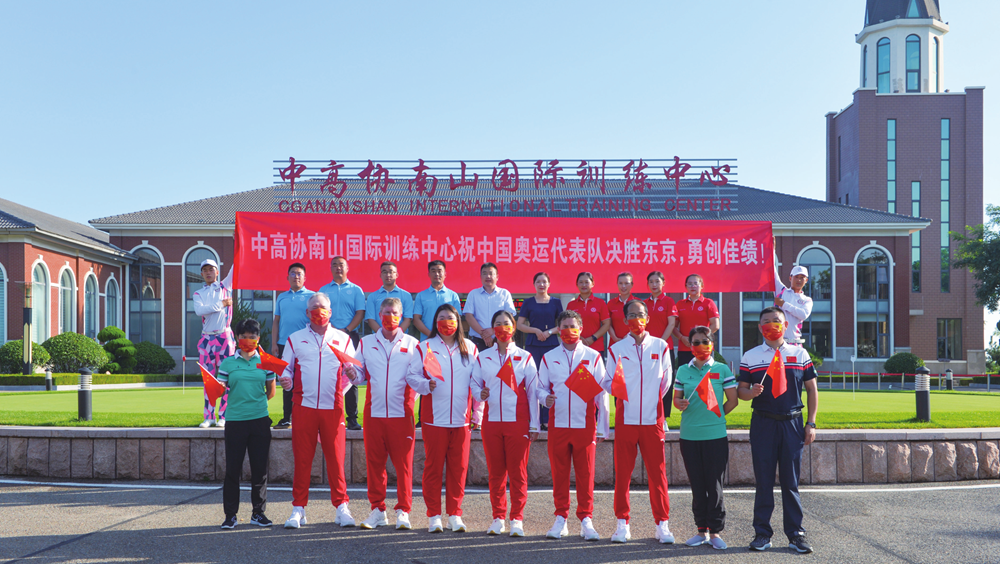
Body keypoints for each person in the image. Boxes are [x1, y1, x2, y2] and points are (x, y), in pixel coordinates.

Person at [737, 306, 818, 554]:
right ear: (759, 327)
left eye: (776, 321)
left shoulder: (799, 353)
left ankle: (796, 534)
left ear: (785, 325)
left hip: (792, 423)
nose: (772, 325)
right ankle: (762, 533)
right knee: (763, 481)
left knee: (790, 482)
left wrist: (811, 423)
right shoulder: (750, 356)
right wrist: (750, 393)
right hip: (763, 424)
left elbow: (812, 390)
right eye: (766, 321)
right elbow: (741, 391)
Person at [278, 293, 357, 530]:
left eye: (323, 307)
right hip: (304, 407)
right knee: (303, 459)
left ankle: (341, 507)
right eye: (314, 308)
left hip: (333, 408)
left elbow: (354, 373)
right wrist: (286, 381)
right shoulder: (295, 339)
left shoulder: (343, 339)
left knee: (336, 459)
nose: (318, 311)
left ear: (330, 312)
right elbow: (286, 370)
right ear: (307, 313)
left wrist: (348, 381)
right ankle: (298, 508)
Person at [347, 297, 420, 531]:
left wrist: (413, 399)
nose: (390, 317)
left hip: (402, 414)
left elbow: (419, 378)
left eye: (395, 313)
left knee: (403, 465)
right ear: (379, 315)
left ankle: (403, 510)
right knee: (375, 464)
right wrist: (352, 374)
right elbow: (360, 375)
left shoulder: (412, 343)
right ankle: (378, 510)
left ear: (402, 316)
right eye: (386, 312)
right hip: (374, 413)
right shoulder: (366, 342)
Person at [605, 299, 674, 545]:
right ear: (625, 320)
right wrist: (628, 397)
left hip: (652, 419)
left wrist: (650, 401)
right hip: (626, 419)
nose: (637, 319)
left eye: (641, 314)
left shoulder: (661, 346)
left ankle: (662, 524)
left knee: (658, 473)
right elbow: (608, 381)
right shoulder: (616, 349)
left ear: (648, 317)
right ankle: (622, 523)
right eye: (632, 315)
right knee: (623, 473)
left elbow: (666, 381)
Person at [536, 310, 609, 542]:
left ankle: (586, 519)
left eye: (573, 326)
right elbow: (539, 387)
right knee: (559, 473)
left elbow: (602, 393)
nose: (569, 330)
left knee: (586, 473)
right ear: (558, 330)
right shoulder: (549, 357)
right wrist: (544, 398)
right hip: (558, 424)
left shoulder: (593, 356)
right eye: (565, 326)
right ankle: (561, 517)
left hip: (584, 424)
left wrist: (603, 426)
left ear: (581, 328)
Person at [406, 304, 478, 533]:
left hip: (461, 419)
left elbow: (477, 382)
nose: (447, 321)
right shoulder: (425, 347)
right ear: (436, 322)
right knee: (433, 468)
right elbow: (411, 376)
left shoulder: (470, 348)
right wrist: (425, 384)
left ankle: (455, 514)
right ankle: (434, 515)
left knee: (459, 469)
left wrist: (478, 413)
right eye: (442, 317)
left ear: (458, 321)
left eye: (451, 317)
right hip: (434, 419)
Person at [470, 310, 540, 537]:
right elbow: (474, 384)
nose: (502, 327)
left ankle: (517, 519)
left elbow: (533, 393)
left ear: (514, 327)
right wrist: (480, 393)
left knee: (518, 473)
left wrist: (534, 424)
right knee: (496, 473)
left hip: (517, 422)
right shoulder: (483, 357)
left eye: (506, 323)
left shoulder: (525, 357)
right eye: (498, 324)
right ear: (493, 329)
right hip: (492, 422)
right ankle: (498, 517)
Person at [673, 325, 739, 550]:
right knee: (697, 485)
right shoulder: (683, 370)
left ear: (712, 344)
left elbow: (732, 401)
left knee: (714, 485)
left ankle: (716, 531)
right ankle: (701, 530)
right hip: (689, 436)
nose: (700, 345)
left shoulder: (722, 369)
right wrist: (679, 403)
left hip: (715, 435)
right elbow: (676, 399)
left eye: (705, 341)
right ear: (690, 346)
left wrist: (717, 416)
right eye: (696, 342)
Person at [217, 318, 275, 529]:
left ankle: (258, 513)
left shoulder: (267, 362)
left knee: (260, 469)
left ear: (258, 338)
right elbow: (220, 389)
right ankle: (230, 515)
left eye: (252, 337)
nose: (248, 340)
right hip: (235, 421)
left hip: (259, 420)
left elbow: (271, 392)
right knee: (233, 469)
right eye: (243, 337)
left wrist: (254, 404)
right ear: (237, 337)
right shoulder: (227, 363)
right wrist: (216, 386)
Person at [317, 256, 366, 431]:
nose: (338, 268)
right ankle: (326, 414)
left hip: (349, 335)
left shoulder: (356, 290)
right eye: (335, 265)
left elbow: (360, 313)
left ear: (347, 268)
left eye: (341, 265)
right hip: (327, 337)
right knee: (327, 374)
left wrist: (345, 330)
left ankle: (352, 418)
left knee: (351, 374)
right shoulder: (323, 290)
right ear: (330, 268)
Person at [516, 272, 562, 429]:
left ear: (549, 284)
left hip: (551, 344)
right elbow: (519, 325)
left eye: (544, 282)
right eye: (538, 282)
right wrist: (535, 330)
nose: (541, 284)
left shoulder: (556, 302)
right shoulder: (528, 302)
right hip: (533, 344)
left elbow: (562, 324)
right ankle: (534, 418)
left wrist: (549, 332)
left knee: (550, 380)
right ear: (534, 284)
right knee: (533, 380)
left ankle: (547, 418)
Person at [192, 258, 235, 428]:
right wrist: (222, 303)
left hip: (224, 336)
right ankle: (209, 416)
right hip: (206, 339)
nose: (208, 272)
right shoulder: (198, 294)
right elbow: (199, 310)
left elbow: (236, 266)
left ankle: (224, 415)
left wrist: (239, 244)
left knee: (226, 378)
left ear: (217, 271)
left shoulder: (225, 286)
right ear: (201, 274)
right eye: (205, 270)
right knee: (208, 380)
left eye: (211, 269)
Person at [271, 263, 314, 429]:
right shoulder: (281, 297)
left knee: (306, 381)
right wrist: (274, 343)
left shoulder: (312, 296)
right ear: (288, 277)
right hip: (284, 345)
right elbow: (276, 321)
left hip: (304, 345)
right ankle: (287, 417)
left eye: (299, 274)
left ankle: (306, 416)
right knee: (286, 381)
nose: (296, 276)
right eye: (293, 273)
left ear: (305, 278)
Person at [672, 273, 720, 417]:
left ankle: (708, 409)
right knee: (686, 380)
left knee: (705, 380)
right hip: (684, 348)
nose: (693, 286)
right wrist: (682, 337)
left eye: (696, 283)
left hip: (703, 349)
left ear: (702, 286)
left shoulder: (708, 303)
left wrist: (700, 340)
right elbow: (673, 327)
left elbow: (715, 325)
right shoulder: (679, 305)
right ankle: (686, 409)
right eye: (690, 284)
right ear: (685, 287)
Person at [644, 271, 679, 418]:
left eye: (657, 281)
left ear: (663, 283)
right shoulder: (644, 303)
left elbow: (671, 324)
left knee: (666, 382)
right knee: (648, 382)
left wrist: (660, 343)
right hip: (647, 349)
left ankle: (663, 417)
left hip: (665, 348)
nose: (654, 284)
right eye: (651, 282)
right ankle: (649, 414)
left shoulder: (669, 301)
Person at [464, 262, 516, 351]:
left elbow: (509, 316)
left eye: (491, 273)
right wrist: (484, 334)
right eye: (484, 273)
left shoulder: (505, 294)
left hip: (501, 340)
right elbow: (469, 316)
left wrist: (493, 330)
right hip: (478, 341)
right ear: (480, 277)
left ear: (497, 277)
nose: (488, 276)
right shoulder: (473, 294)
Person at [773, 244, 813, 345]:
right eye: (796, 277)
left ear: (806, 280)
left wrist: (784, 304)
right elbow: (772, 272)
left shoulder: (807, 300)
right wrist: (772, 251)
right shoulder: (781, 291)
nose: (799, 280)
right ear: (790, 278)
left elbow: (803, 314)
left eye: (802, 278)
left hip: (795, 344)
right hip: (779, 343)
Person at [412, 260, 462, 342]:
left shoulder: (453, 296)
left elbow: (457, 319)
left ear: (445, 274)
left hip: (449, 341)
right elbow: (416, 320)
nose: (437, 274)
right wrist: (431, 335)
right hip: (427, 340)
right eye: (433, 271)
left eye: (439, 271)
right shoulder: (421, 295)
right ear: (429, 274)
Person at [567, 272, 611, 357]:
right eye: (581, 282)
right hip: (576, 346)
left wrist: (593, 338)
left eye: (586, 282)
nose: (584, 285)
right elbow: (567, 325)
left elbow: (606, 324)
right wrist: (579, 338)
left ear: (592, 284)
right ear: (577, 284)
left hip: (596, 347)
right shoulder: (571, 305)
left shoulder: (600, 303)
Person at [364, 261, 414, 333]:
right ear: (380, 275)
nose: (388, 275)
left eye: (391, 272)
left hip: (400, 337)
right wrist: (382, 335)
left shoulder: (406, 295)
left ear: (396, 275)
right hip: (378, 337)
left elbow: (407, 319)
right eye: (385, 272)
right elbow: (370, 319)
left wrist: (396, 335)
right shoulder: (372, 297)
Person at [607, 272, 636, 346]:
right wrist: (615, 338)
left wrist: (628, 337)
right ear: (617, 284)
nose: (623, 286)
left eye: (626, 283)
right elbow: (608, 324)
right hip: (615, 343)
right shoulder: (611, 303)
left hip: (633, 343)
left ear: (632, 285)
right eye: (620, 283)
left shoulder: (637, 303)